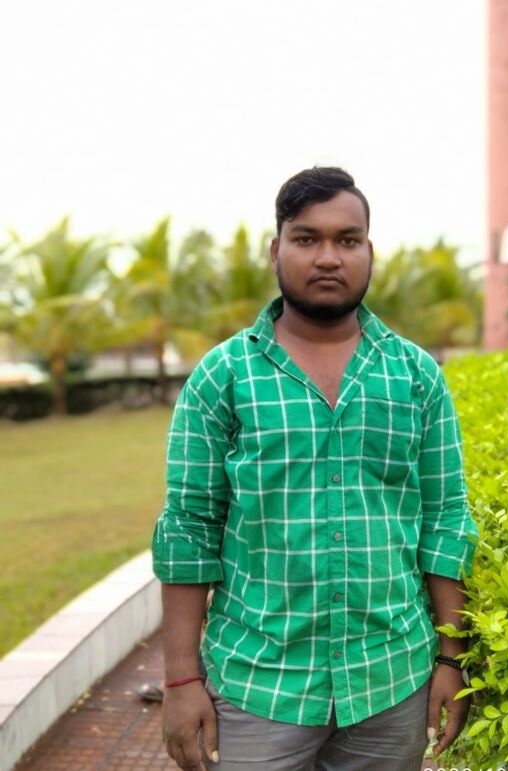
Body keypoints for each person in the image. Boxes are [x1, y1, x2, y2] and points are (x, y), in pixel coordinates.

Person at [152, 166, 478, 771]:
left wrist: (451, 659)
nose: (328, 256)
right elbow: (189, 530)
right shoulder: (224, 376)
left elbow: (445, 518)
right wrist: (180, 680)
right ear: (275, 250)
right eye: (306, 238)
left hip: (391, 681)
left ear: (369, 251)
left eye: (347, 239)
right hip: (257, 685)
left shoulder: (415, 376)